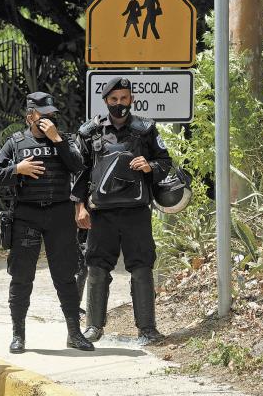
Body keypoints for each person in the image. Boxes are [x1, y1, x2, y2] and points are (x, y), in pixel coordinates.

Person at [0, 92, 94, 353]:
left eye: (51, 114)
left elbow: (79, 166)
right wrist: (16, 170)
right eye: (43, 114)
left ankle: (74, 333)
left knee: (66, 276)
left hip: (59, 215)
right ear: (30, 115)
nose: (48, 119)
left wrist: (57, 139)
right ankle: (18, 335)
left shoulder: (63, 139)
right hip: (27, 216)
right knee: (21, 277)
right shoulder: (15, 142)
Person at [72, 77, 172, 344]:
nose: (119, 104)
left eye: (124, 99)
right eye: (114, 100)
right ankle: (93, 327)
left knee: (141, 267)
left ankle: (147, 329)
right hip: (100, 213)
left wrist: (149, 165)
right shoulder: (89, 132)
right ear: (106, 101)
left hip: (136, 211)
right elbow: (79, 173)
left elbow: (165, 161)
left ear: (131, 100)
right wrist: (79, 207)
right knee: (96, 267)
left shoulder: (145, 129)